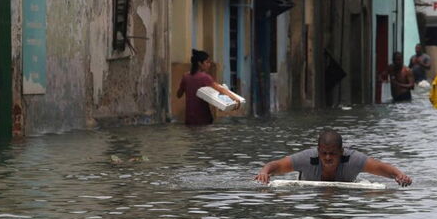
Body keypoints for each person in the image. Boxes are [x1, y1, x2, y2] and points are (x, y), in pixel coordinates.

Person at [255, 129, 412, 186]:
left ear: (341, 152)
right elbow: (277, 165)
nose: (328, 157)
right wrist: (264, 172)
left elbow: (380, 167)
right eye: (324, 153)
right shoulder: (307, 158)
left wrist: (399, 176)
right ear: (318, 151)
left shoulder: (353, 159)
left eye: (333, 153)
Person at [176, 49, 243, 125]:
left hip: (189, 119)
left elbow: (179, 95)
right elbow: (221, 90)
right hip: (203, 119)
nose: (209, 64)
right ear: (199, 63)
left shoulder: (185, 76)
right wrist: (236, 99)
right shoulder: (205, 77)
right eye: (207, 62)